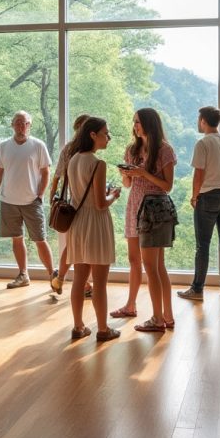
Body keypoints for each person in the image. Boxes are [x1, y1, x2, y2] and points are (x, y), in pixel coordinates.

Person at [116, 108, 177, 333]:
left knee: (154, 266)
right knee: (146, 263)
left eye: (139, 122)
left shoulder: (164, 150)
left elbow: (167, 186)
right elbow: (127, 185)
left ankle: (159, 318)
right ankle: (164, 316)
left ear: (150, 124)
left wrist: (143, 173)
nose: (135, 126)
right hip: (135, 206)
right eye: (134, 122)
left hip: (155, 209)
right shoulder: (132, 149)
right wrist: (126, 174)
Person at [65, 117, 122, 342]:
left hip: (78, 222)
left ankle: (78, 327)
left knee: (79, 278)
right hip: (96, 223)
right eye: (105, 133)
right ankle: (102, 329)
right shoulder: (98, 163)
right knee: (100, 281)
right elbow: (100, 203)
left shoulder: (73, 160)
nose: (108, 137)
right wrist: (113, 196)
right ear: (93, 135)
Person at [179, 106, 220, 301]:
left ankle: (197, 289)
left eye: (199, 119)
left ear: (203, 120)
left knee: (202, 246)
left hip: (208, 195)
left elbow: (199, 173)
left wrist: (195, 196)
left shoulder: (203, 143)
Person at [0, 111, 55, 289]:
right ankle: (23, 274)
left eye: (26, 123)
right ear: (12, 125)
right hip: (8, 201)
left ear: (30, 126)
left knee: (40, 239)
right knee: (16, 239)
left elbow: (45, 173)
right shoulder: (3, 146)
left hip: (31, 201)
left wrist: (40, 195)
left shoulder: (38, 145)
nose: (22, 126)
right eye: (18, 123)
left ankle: (53, 275)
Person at [50, 114, 93, 297]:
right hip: (80, 202)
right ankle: (82, 284)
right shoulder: (82, 151)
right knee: (80, 244)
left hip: (72, 201)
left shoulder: (70, 148)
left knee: (75, 244)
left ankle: (64, 279)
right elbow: (59, 174)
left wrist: (53, 196)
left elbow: (58, 175)